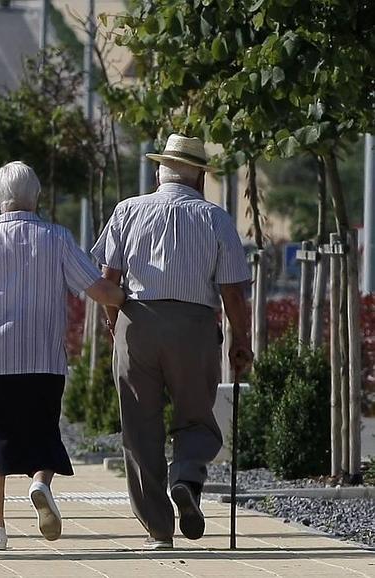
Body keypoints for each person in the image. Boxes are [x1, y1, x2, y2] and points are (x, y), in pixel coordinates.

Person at [0, 161, 125, 551]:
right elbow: (96, 288)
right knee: (43, 432)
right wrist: (132, 298)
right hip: (42, 358)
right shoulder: (57, 237)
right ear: (37, 196)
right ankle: (40, 483)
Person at [91, 134, 253, 550]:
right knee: (196, 416)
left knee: (140, 429)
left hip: (136, 319)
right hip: (195, 324)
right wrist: (242, 342)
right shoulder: (215, 218)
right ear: (199, 176)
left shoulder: (127, 210)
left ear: (159, 171)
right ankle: (185, 477)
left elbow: (107, 282)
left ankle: (159, 529)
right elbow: (233, 292)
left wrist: (116, 326)